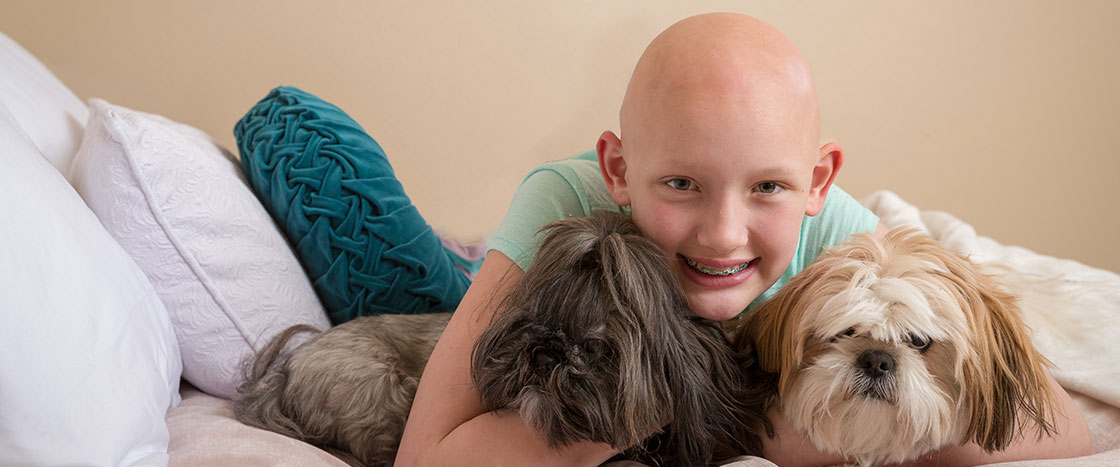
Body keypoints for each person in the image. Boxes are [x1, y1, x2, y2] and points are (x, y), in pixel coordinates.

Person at [395, 12, 1092, 466]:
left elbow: (1063, 432)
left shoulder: (833, 226)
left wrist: (806, 437)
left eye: (767, 187)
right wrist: (671, 402)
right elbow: (425, 454)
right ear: (618, 169)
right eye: (679, 184)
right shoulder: (562, 201)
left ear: (818, 180)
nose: (724, 234)